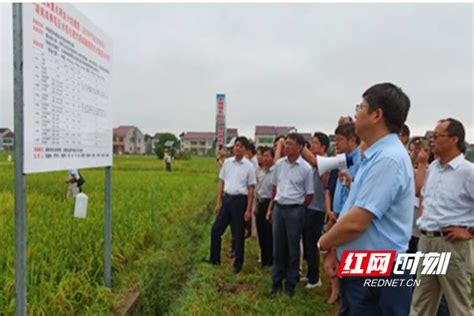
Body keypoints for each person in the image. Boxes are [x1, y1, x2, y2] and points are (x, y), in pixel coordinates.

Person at [319, 82, 414, 315]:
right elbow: (352, 207)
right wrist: (336, 250)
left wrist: (323, 244)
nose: (355, 114)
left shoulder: (388, 160)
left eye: (360, 107)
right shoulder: (374, 156)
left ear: (376, 115)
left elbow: (356, 223)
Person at [410, 118, 473, 316]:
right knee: (421, 303)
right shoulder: (433, 169)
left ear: (454, 139)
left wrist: (469, 232)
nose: (432, 140)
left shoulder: (468, 172)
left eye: (437, 136)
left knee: (458, 306)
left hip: (450, 244)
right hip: (427, 241)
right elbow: (418, 192)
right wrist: (420, 162)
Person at [266, 133, 314, 298]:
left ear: (300, 147)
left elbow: (309, 195)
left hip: (295, 210)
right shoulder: (279, 164)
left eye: (290, 144)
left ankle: (291, 284)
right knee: (278, 247)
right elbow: (275, 187)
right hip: (279, 208)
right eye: (285, 144)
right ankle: (276, 283)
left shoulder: (306, 169)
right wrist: (272, 208)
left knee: (293, 249)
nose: (286, 147)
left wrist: (298, 208)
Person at [204, 136, 256, 274]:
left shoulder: (249, 166)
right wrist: (218, 203)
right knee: (216, 230)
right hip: (227, 200)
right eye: (236, 145)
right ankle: (214, 259)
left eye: (241, 146)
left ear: (245, 150)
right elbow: (221, 183)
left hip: (240, 201)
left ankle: (238, 264)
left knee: (238, 235)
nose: (237, 148)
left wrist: (248, 210)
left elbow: (251, 189)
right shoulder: (227, 163)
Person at [300, 132, 330, 289]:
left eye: (315, 143)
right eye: (311, 142)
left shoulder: (324, 163)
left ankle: (315, 278)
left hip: (317, 209)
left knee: (312, 243)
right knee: (307, 241)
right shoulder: (315, 163)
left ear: (323, 147)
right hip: (309, 207)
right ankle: (311, 274)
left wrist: (300, 144)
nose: (312, 145)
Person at [255, 146, 275, 268]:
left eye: (268, 156)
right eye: (263, 156)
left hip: (270, 203)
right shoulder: (259, 172)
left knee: (269, 233)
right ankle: (264, 259)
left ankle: (270, 260)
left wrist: (270, 209)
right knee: (261, 232)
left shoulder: (275, 172)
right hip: (261, 202)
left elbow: (274, 191)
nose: (265, 159)